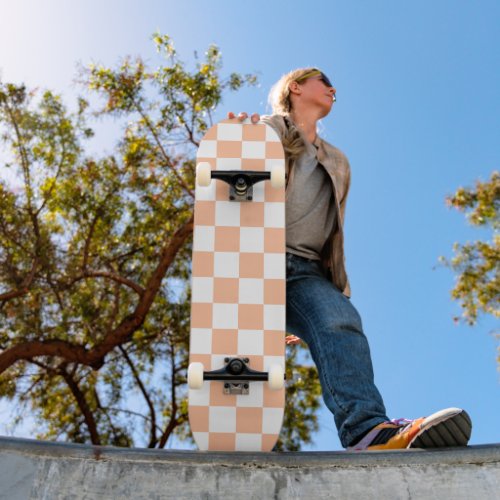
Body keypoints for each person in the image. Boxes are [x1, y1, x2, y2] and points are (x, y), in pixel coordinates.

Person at [228, 67, 472, 450]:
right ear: (295, 87)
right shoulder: (265, 130)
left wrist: (319, 295)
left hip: (306, 271)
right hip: (257, 257)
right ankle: (245, 437)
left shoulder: (338, 161)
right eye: (323, 82)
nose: (332, 89)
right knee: (250, 356)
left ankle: (367, 432)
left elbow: (331, 230)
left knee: (340, 320)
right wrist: (237, 142)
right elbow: (232, 175)